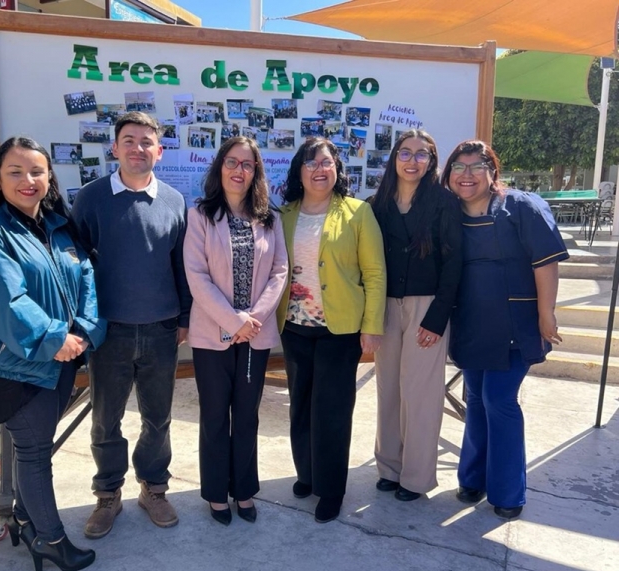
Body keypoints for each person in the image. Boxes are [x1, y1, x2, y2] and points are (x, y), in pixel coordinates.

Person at [0, 137, 106, 571]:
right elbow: (7, 300)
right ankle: (50, 540)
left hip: (64, 358)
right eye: (15, 172)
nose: (28, 181)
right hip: (18, 366)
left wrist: (83, 332)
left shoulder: (60, 227)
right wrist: (54, 339)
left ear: (49, 177)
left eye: (36, 171)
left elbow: (86, 279)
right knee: (32, 454)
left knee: (36, 450)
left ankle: (27, 522)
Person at [71, 112, 191, 539]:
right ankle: (107, 496)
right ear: (115, 148)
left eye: (146, 142)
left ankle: (154, 489)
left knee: (157, 419)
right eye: (129, 140)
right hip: (109, 333)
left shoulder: (175, 201)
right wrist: (84, 323)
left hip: (161, 330)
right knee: (106, 420)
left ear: (159, 151)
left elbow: (181, 265)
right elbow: (76, 266)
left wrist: (184, 318)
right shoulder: (90, 198)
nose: (138, 148)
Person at [441, 140, 568, 519]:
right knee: (476, 399)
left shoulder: (522, 207)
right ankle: (473, 479)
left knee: (499, 400)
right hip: (471, 324)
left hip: (516, 324)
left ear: (492, 171)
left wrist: (547, 313)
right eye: (458, 168)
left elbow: (546, 263)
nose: (467, 175)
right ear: (448, 176)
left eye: (475, 167)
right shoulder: (449, 215)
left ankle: (509, 493)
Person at [276, 137, 386, 523]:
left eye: (326, 162)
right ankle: (307, 473)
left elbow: (374, 272)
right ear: (299, 171)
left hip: (341, 330)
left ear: (337, 169)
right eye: (310, 163)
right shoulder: (284, 214)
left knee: (333, 410)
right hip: (295, 327)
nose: (319, 169)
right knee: (301, 405)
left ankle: (331, 487)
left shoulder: (357, 213)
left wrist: (372, 326)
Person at [184, 137, 288, 525]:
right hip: (213, 337)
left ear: (256, 171)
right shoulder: (200, 215)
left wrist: (253, 319)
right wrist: (233, 321)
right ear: (220, 167)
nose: (239, 170)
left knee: (247, 416)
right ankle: (215, 494)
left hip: (255, 336)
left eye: (247, 164)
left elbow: (279, 271)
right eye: (232, 162)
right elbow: (196, 276)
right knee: (214, 416)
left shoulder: (269, 218)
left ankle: (243, 489)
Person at [368, 130, 462, 502]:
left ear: (431, 161)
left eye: (421, 154)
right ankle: (389, 467)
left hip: (427, 306)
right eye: (405, 153)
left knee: (420, 394)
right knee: (388, 389)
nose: (412, 161)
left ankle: (416, 477)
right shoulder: (377, 205)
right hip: (385, 305)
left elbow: (454, 263)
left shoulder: (443, 202)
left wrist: (437, 318)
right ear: (394, 159)